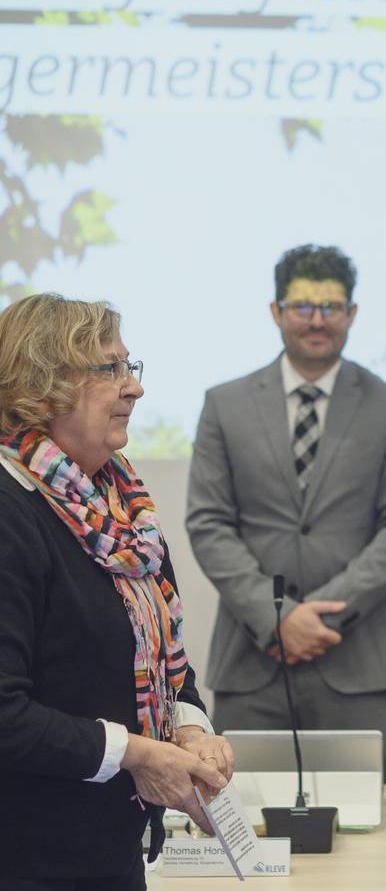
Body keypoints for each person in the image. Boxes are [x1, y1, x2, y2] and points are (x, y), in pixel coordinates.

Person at [0, 293, 234, 890]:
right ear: (41, 385)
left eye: (131, 367)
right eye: (109, 370)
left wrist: (188, 731)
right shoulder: (11, 512)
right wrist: (137, 754)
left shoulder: (123, 511)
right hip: (29, 858)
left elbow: (165, 661)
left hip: (112, 851)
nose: (134, 389)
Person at [187, 244, 386, 778]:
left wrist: (315, 617)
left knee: (363, 840)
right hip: (252, 663)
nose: (317, 320)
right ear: (276, 311)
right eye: (302, 306)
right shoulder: (224, 404)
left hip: (360, 661)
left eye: (331, 306)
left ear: (352, 314)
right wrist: (277, 620)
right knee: (244, 830)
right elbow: (208, 523)